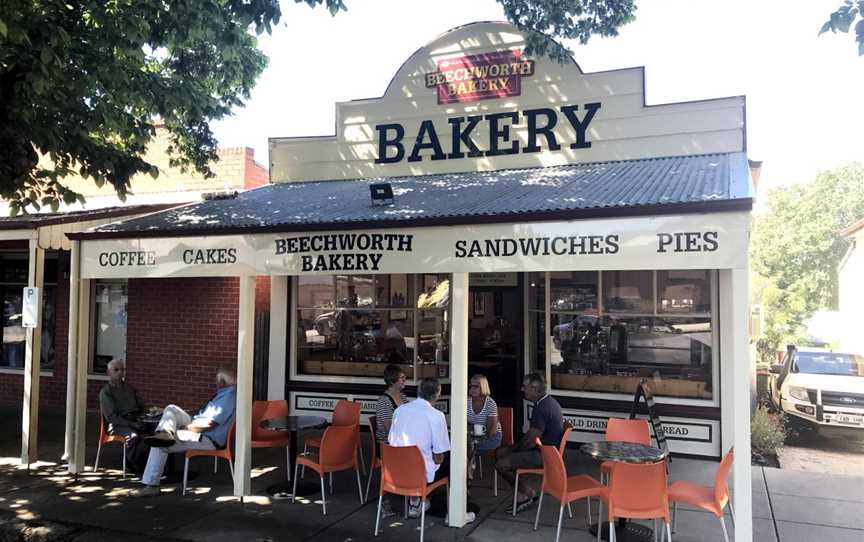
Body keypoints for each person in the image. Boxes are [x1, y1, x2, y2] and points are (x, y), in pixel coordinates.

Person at [130, 368, 237, 497]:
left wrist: (186, 429)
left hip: (206, 438)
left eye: (217, 380)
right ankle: (165, 432)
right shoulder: (225, 393)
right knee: (171, 409)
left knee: (159, 444)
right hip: (198, 426)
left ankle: (151, 486)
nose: (215, 383)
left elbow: (209, 424)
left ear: (222, 381)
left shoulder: (229, 396)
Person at [494, 372, 564, 515]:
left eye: (525, 387)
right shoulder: (547, 402)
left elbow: (530, 442)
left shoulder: (542, 408)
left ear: (534, 388)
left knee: (501, 463)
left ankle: (526, 495)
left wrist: (512, 451)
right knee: (501, 453)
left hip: (545, 455)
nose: (522, 389)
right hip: (548, 452)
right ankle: (522, 492)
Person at [388, 377, 451, 519]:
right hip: (420, 474)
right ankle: (454, 512)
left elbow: (391, 441)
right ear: (438, 394)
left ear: (418, 391)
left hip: (395, 472)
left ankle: (415, 501)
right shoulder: (436, 416)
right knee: (456, 461)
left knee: (415, 456)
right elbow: (439, 457)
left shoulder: (400, 411)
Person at [98, 358, 149, 473]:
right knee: (133, 436)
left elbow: (141, 406)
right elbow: (111, 417)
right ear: (108, 373)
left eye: (122, 370)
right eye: (116, 370)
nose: (120, 372)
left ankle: (150, 464)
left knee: (156, 434)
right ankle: (130, 463)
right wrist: (131, 424)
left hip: (135, 419)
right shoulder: (106, 392)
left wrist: (143, 417)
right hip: (118, 424)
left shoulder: (129, 388)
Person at [374, 364, 407, 517]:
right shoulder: (384, 401)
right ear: (393, 380)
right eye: (402, 378)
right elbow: (389, 430)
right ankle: (391, 499)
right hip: (387, 446)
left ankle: (412, 493)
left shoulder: (403, 397)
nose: (405, 380)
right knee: (417, 456)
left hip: (402, 441)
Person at [467, 374, 502, 479]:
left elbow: (492, 430)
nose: (472, 389)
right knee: (463, 447)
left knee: (468, 449)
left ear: (483, 387)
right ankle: (465, 477)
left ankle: (467, 477)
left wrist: (477, 440)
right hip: (473, 434)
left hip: (492, 436)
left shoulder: (490, 403)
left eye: (476, 386)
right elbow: (463, 423)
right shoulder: (466, 401)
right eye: (471, 386)